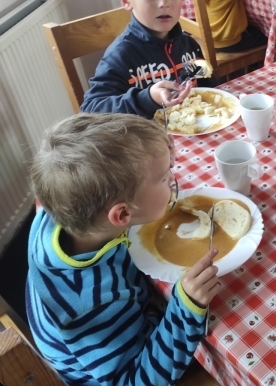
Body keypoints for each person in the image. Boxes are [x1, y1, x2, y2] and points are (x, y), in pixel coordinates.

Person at [26, 113, 220, 385]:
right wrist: (186, 309)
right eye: (164, 179)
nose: (171, 180)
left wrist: (157, 156)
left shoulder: (61, 211)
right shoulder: (91, 305)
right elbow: (136, 380)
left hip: (125, 322)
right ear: (122, 215)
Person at [81, 0, 211, 118]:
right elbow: (91, 110)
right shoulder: (121, 55)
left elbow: (208, 86)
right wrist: (147, 98)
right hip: (145, 134)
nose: (164, 3)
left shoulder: (189, 45)